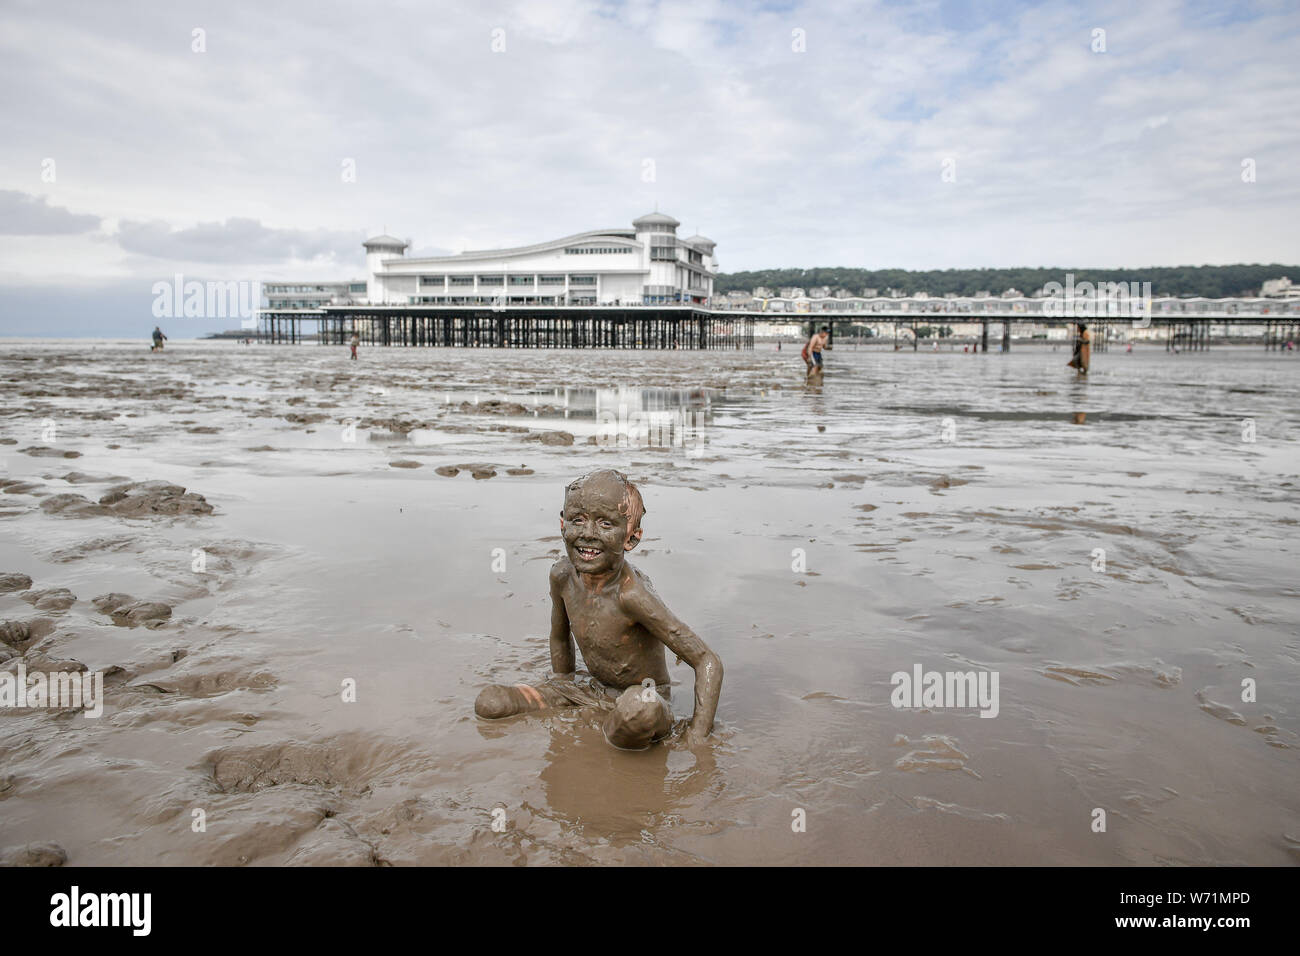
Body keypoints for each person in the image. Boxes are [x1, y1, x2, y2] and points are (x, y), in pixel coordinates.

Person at [474, 470, 723, 749]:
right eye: (577, 520)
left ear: (631, 539)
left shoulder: (631, 595)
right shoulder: (562, 577)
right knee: (490, 702)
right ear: (562, 524)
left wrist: (697, 736)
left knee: (637, 710)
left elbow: (707, 661)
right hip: (588, 690)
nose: (588, 534)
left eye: (606, 523)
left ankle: (609, 726)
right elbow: (559, 637)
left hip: (645, 698)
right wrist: (561, 683)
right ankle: (597, 719)